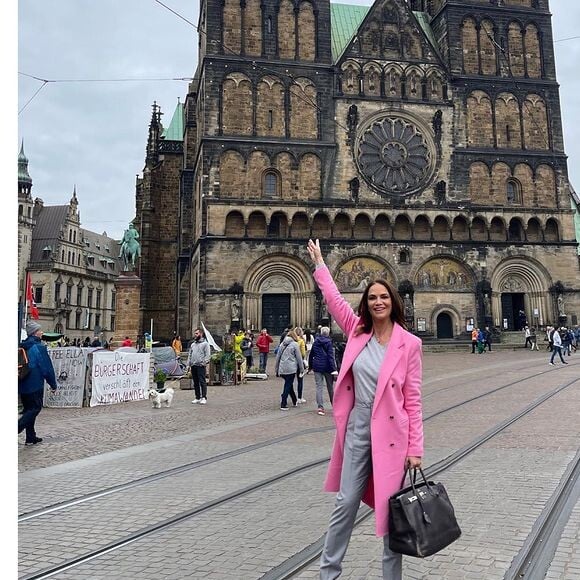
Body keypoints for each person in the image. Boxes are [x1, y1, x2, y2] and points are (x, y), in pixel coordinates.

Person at [307, 239, 423, 580]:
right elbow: (334, 300)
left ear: (393, 301)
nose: (378, 302)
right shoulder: (357, 331)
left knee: (391, 512)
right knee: (345, 503)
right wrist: (319, 264)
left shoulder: (410, 344)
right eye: (372, 298)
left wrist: (416, 448)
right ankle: (329, 572)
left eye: (383, 297)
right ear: (366, 304)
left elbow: (413, 400)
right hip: (358, 428)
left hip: (393, 435)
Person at [18, 321, 58, 446]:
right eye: (40, 330)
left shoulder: (23, 346)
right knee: (35, 408)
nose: (42, 332)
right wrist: (53, 384)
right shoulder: (39, 347)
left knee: (29, 409)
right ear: (35, 333)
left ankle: (30, 437)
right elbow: (46, 368)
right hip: (34, 383)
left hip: (23, 384)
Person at [308, 326, 337, 416]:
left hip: (317, 366)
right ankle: (335, 407)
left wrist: (310, 366)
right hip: (327, 367)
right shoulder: (329, 342)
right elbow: (330, 357)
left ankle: (320, 407)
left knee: (319, 387)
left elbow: (311, 354)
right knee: (330, 387)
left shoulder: (316, 342)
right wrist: (334, 369)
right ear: (328, 333)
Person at [275, 330, 304, 411]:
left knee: (289, 384)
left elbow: (278, 357)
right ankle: (283, 403)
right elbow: (299, 358)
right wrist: (301, 369)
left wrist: (276, 369)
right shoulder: (295, 344)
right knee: (288, 385)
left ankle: (294, 400)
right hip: (291, 369)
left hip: (282, 368)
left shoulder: (282, 344)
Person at [188, 328, 211, 404]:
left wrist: (204, 362)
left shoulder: (205, 344)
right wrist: (189, 364)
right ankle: (197, 397)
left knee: (202, 381)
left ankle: (204, 397)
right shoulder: (193, 344)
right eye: (195, 333)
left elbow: (207, 355)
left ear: (201, 334)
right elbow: (190, 354)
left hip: (201, 366)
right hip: (193, 365)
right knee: (195, 382)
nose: (195, 335)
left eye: (197, 333)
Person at [294, 327, 308, 403]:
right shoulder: (301, 341)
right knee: (300, 380)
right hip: (299, 363)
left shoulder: (292, 340)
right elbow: (303, 353)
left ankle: (292, 397)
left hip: (292, 362)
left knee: (290, 381)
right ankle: (299, 398)